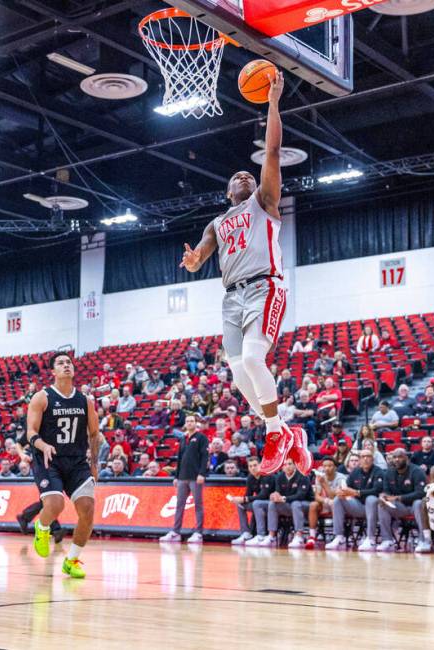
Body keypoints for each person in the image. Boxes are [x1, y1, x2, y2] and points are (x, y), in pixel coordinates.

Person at [178, 71, 309, 477]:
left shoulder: (264, 201)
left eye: (247, 176)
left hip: (265, 287)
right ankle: (288, 433)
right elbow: (200, 255)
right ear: (226, 192)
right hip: (231, 297)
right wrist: (194, 261)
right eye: (237, 177)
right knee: (237, 372)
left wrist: (272, 103)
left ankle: (276, 432)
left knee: (254, 357)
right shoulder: (217, 223)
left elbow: (271, 151)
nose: (244, 177)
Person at [27, 352, 102, 578]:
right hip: (49, 460)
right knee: (56, 504)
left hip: (77, 461)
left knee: (88, 510)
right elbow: (30, 431)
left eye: (69, 362)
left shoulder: (85, 401)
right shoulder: (42, 397)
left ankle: (71, 560)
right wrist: (43, 445)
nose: (66, 365)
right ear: (53, 371)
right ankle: (42, 527)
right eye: (61, 363)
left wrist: (94, 463)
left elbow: (95, 433)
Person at [160, 415, 210, 544]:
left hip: (195, 477)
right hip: (182, 477)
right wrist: (176, 476)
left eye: (191, 421)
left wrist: (202, 474)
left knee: (198, 505)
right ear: (185, 424)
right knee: (179, 505)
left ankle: (199, 533)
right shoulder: (183, 438)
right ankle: (176, 532)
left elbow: (205, 457)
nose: (189, 423)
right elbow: (179, 459)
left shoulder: (201, 438)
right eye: (187, 421)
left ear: (195, 423)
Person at [327, 449, 384, 551]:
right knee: (337, 500)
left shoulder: (378, 471)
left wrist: (356, 492)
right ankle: (339, 537)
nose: (365, 459)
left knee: (371, 499)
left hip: (374, 508)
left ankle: (370, 539)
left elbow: (377, 490)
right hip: (358, 506)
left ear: (373, 459)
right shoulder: (355, 472)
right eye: (363, 457)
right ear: (360, 460)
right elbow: (347, 487)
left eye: (368, 456)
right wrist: (341, 491)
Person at [376, 449, 431, 553]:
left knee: (419, 503)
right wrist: (383, 496)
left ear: (407, 458)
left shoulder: (417, 471)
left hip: (415, 506)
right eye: (395, 457)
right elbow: (387, 492)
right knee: (381, 504)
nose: (396, 460)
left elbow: (422, 493)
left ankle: (423, 540)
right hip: (400, 507)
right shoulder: (389, 472)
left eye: (400, 457)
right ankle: (387, 540)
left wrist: (399, 498)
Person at [249, 458, 311, 548]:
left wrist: (283, 498)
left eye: (290, 464)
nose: (288, 467)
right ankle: (271, 535)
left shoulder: (303, 476)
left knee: (296, 503)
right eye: (285, 465)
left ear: (295, 465)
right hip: (288, 505)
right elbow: (278, 492)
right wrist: (274, 496)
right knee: (272, 504)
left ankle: (299, 536)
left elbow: (301, 496)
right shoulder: (280, 477)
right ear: (282, 467)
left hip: (306, 505)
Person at [227, 457, 272, 545]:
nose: (253, 468)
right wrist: (238, 499)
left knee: (256, 503)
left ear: (260, 465)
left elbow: (264, 495)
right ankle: (246, 533)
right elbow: (248, 495)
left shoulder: (267, 476)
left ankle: (260, 535)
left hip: (271, 504)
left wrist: (245, 499)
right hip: (259, 504)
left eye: (255, 465)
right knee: (240, 504)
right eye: (250, 466)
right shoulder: (250, 478)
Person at [306, 458, 347, 549]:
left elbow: (334, 497)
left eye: (330, 466)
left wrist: (325, 484)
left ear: (335, 467)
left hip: (339, 504)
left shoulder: (341, 478)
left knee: (335, 503)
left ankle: (337, 536)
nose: (327, 468)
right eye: (325, 466)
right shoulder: (320, 477)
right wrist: (326, 501)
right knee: (313, 505)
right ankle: (312, 536)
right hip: (326, 503)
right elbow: (317, 496)